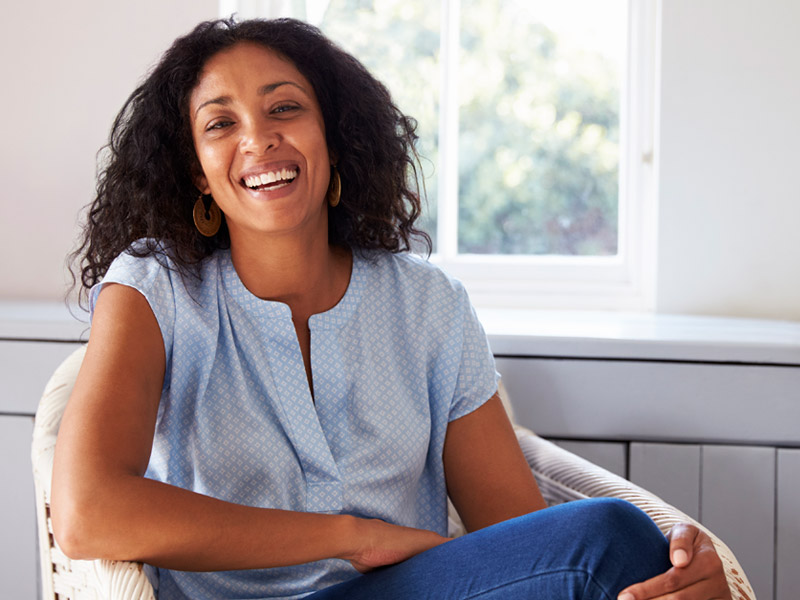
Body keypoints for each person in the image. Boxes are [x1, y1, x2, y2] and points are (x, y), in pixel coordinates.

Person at [51, 17, 730, 600]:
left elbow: (516, 536)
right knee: (611, 539)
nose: (257, 139)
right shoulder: (153, 288)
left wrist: (666, 568)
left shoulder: (426, 303)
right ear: (197, 169)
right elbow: (87, 511)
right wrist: (352, 536)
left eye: (284, 108)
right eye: (221, 123)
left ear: (334, 136)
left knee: (621, 545)